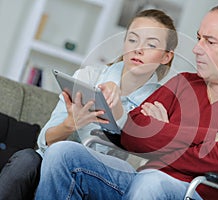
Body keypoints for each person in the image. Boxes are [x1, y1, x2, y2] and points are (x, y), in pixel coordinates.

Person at [34, 2, 218, 200]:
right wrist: (206, 135)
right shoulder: (186, 83)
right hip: (143, 182)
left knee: (153, 181)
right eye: (198, 37)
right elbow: (131, 131)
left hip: (195, 192)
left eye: (209, 41)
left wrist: (161, 135)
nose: (196, 48)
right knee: (63, 153)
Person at [0, 9, 178, 200]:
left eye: (151, 44)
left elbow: (148, 174)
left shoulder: (160, 104)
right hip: (53, 168)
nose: (138, 49)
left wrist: (127, 119)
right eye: (133, 40)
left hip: (102, 184)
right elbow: (46, 141)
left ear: (166, 56)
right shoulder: (88, 77)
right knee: (27, 159)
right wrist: (70, 123)